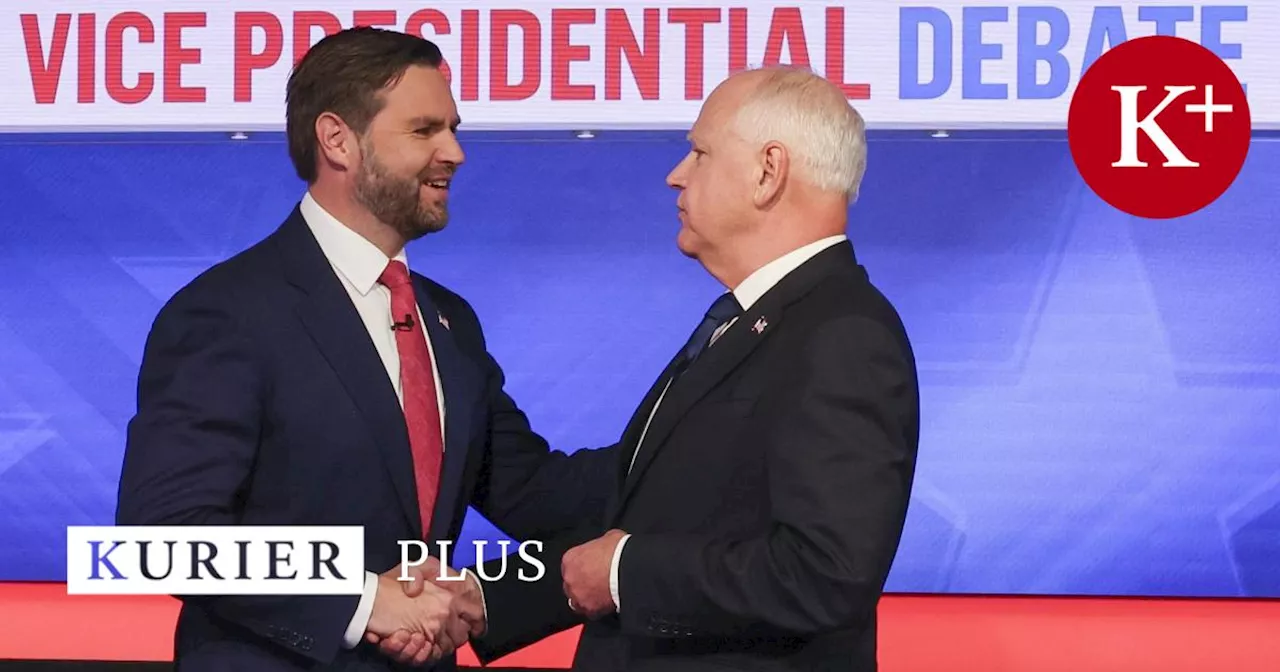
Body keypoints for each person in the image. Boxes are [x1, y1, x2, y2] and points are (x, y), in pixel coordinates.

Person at [115, 27, 615, 671]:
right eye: (424, 130)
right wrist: (359, 599)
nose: (455, 152)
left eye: (453, 128)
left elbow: (538, 494)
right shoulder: (227, 311)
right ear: (337, 140)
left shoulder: (448, 321)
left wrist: (685, 444)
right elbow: (162, 538)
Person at [453, 66, 921, 671]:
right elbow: (639, 503)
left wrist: (624, 573)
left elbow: (822, 573)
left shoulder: (844, 336)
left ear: (767, 172)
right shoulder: (752, 322)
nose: (676, 174)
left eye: (699, 152)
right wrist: (489, 592)